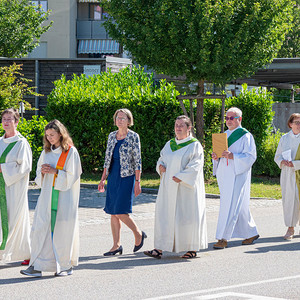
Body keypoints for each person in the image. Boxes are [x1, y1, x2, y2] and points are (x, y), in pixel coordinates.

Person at [21, 120, 82, 277]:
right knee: (40, 229)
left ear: (61, 134)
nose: (49, 138)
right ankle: (37, 266)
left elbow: (73, 176)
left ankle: (65, 266)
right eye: (47, 135)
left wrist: (55, 171)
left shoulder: (70, 152)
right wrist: (42, 173)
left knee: (62, 231)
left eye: (52, 135)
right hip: (47, 197)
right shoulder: (45, 152)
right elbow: (38, 175)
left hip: (64, 198)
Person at [144, 115, 207, 259]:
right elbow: (162, 158)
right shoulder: (170, 144)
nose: (178, 128)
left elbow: (196, 165)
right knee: (165, 215)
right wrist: (160, 166)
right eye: (176, 125)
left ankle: (191, 248)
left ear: (188, 128)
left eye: (181, 125)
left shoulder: (194, 145)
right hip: (169, 186)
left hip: (186, 189)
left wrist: (183, 176)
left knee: (187, 217)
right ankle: (159, 248)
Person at [98, 108, 146, 256]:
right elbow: (107, 159)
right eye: (118, 118)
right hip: (113, 176)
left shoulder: (133, 137)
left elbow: (137, 161)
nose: (119, 120)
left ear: (129, 121)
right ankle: (116, 245)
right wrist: (102, 179)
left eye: (123, 118)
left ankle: (138, 234)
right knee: (113, 212)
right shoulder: (112, 136)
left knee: (120, 211)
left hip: (127, 176)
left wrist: (137, 181)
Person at [212, 107, 259, 249]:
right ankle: (251, 232)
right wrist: (216, 157)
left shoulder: (246, 136)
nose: (228, 121)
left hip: (238, 173)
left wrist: (233, 156)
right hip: (225, 174)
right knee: (240, 204)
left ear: (240, 119)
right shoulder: (223, 135)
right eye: (226, 118)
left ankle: (223, 238)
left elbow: (251, 156)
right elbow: (219, 155)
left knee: (231, 204)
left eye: (232, 118)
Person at [0, 108, 32, 263]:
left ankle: (25, 253)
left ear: (17, 122)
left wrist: (4, 168)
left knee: (15, 219)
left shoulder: (21, 143)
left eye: (9, 119)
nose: (6, 122)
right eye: (4, 119)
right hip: (1, 187)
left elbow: (25, 167)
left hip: (14, 188)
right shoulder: (0, 141)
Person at [274, 113, 300, 240]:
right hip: (288, 174)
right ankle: (290, 228)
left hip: (298, 171)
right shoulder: (284, 138)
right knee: (289, 201)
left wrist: (294, 164)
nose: (299, 125)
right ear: (290, 124)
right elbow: (277, 156)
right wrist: (282, 162)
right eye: (296, 122)